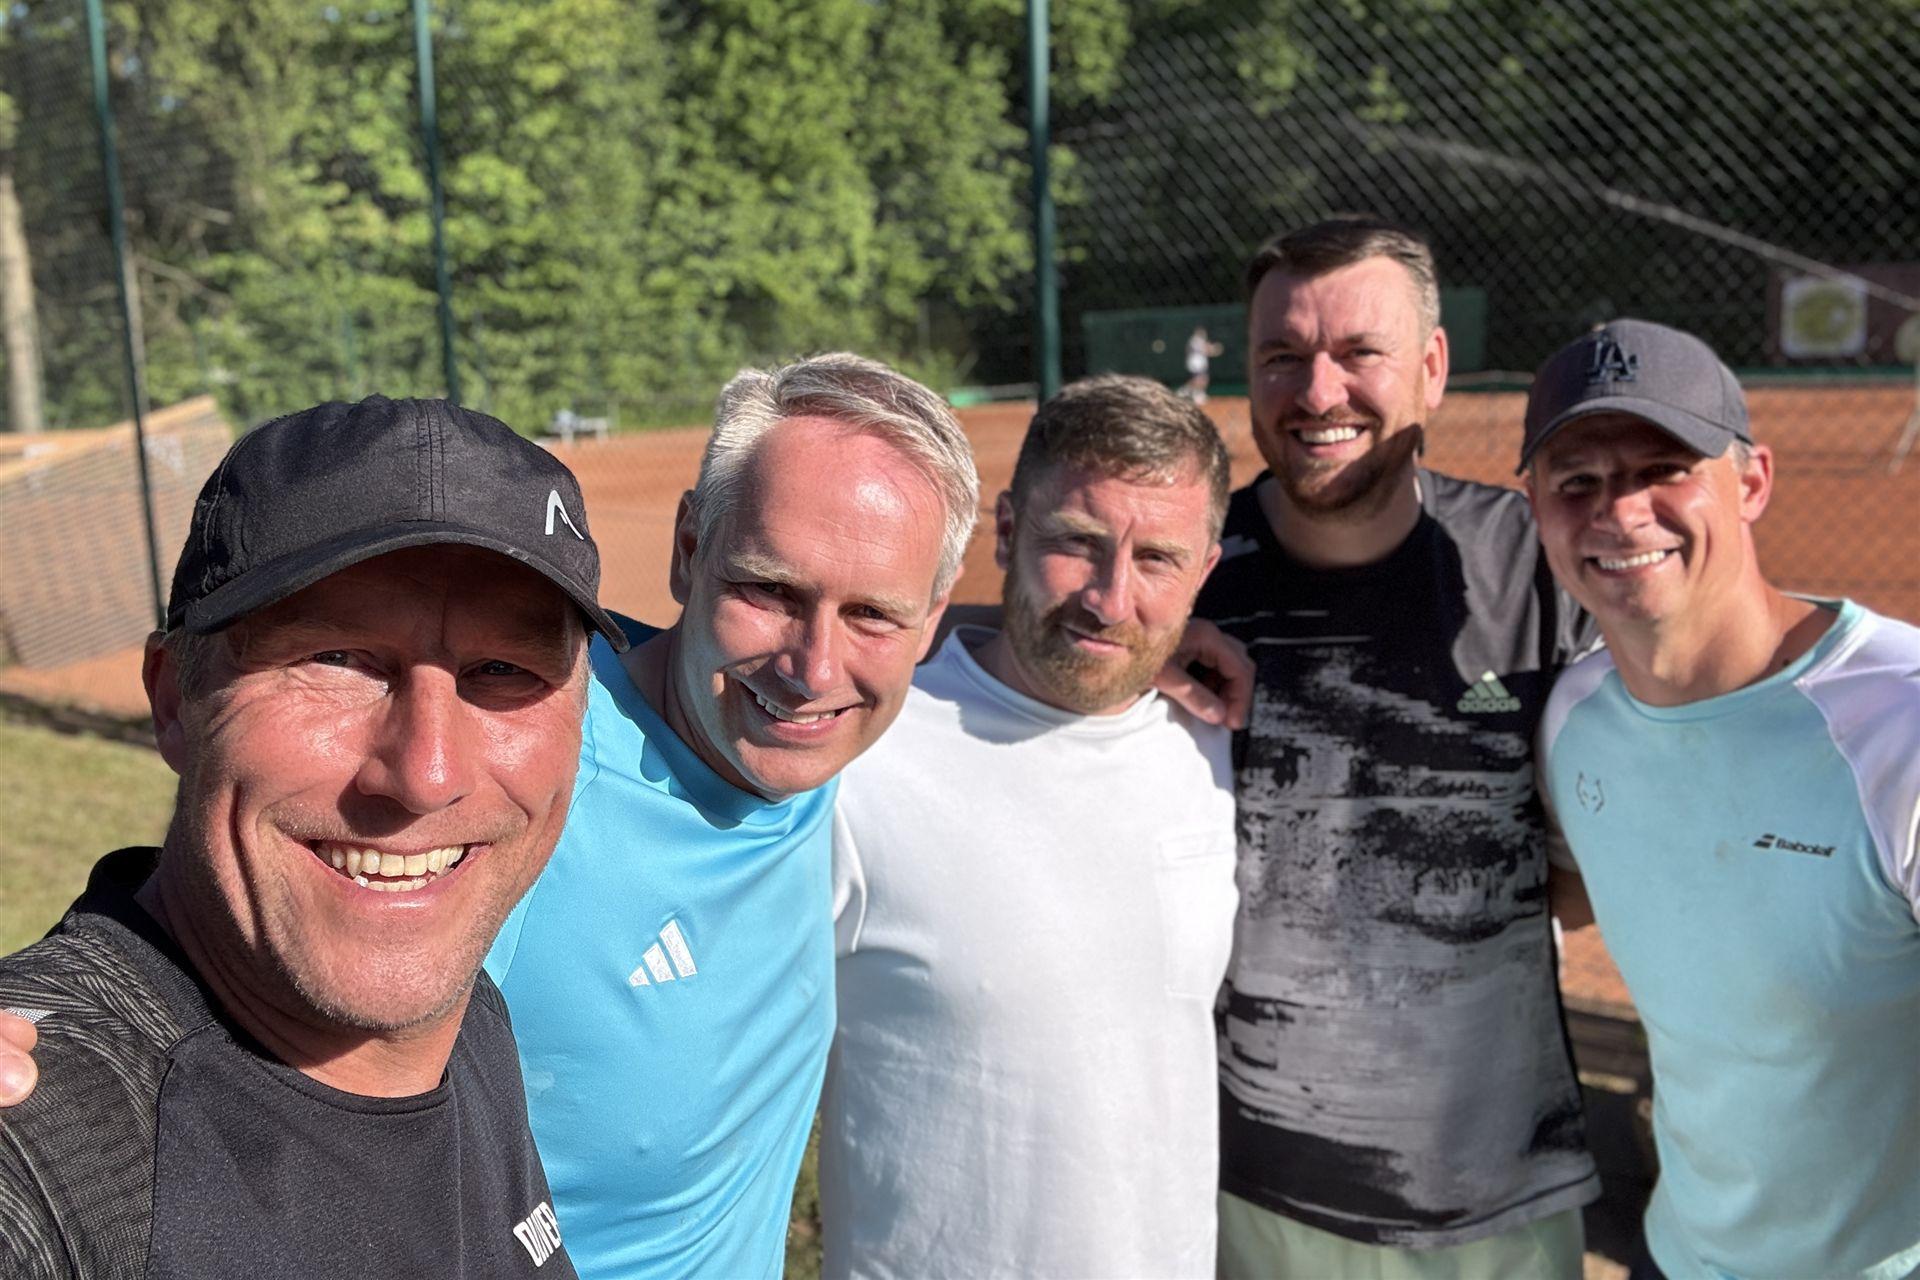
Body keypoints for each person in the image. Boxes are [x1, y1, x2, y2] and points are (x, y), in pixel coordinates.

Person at [0, 395, 629, 1278]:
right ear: (175, 700)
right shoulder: (53, 1141)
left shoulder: (467, 1015)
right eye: (336, 659)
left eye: (501, 670)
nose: (427, 774)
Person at [480, 353, 981, 1278]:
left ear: (928, 620)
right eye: (771, 591)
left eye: (873, 614)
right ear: (687, 550)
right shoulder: (522, 783)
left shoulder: (808, 743)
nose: (813, 671)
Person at [1197, 216, 1600, 1276]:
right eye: (1282, 356)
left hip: (1501, 1200)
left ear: (1432, 367)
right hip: (1251, 1196)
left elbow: (1615, 846)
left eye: (1358, 352)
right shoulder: (1184, 579)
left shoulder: (1537, 566)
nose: (1317, 391)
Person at [1524, 320, 1920, 1280]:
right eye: (1577, 481)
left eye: (1664, 469)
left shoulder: (1900, 725)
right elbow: (1582, 890)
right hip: (1681, 1255)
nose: (1620, 512)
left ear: (1751, 483)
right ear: (1532, 506)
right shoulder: (1574, 718)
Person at [822, 375, 1239, 1278]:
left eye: (1157, 559)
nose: (1110, 599)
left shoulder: (1214, 743)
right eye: (1076, 543)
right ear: (1007, 532)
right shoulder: (862, 759)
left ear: (1205, 571)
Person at [1181, 325, 1225, 403]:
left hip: (1201, 364)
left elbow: (1207, 349)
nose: (1203, 334)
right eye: (1201, 332)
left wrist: (1214, 349)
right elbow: (1206, 349)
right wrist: (1215, 349)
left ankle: (1195, 393)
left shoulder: (1200, 341)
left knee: (1202, 379)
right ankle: (1187, 392)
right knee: (1198, 379)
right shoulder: (1194, 341)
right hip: (1195, 364)